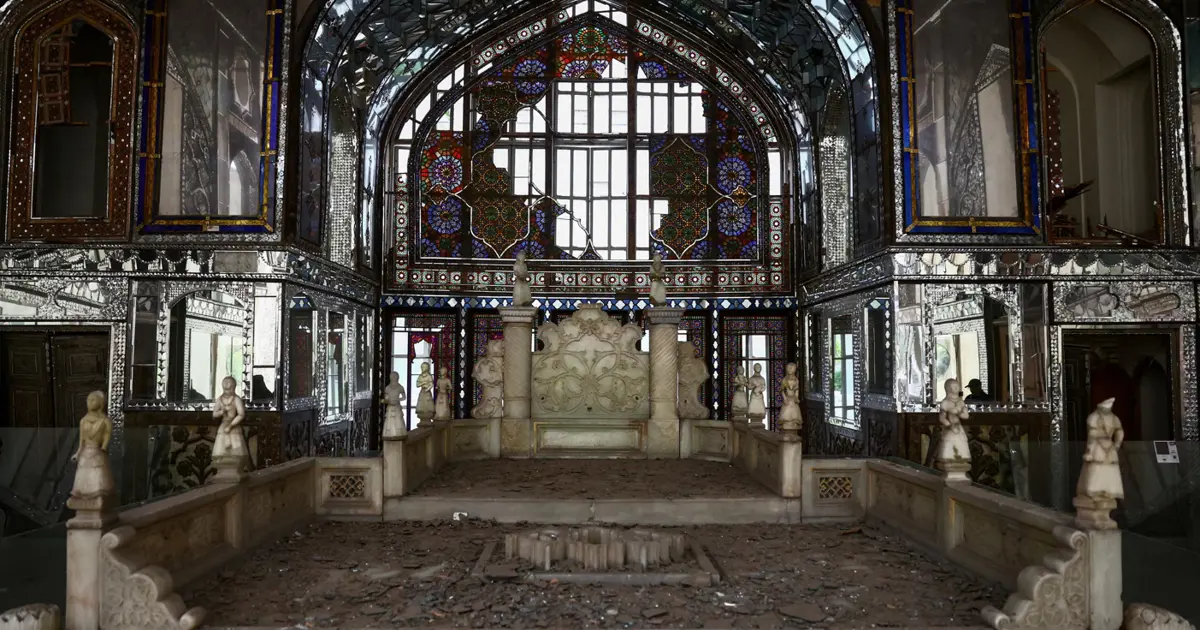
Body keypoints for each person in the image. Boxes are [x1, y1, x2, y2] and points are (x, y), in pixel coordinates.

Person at [70, 391, 114, 500]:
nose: (89, 402)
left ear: (100, 402)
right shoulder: (83, 421)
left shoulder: (105, 421)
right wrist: (77, 453)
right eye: (88, 400)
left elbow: (107, 435)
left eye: (92, 400)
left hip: (98, 452)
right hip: (85, 453)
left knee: (98, 475)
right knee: (83, 475)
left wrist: (104, 447)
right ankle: (82, 494)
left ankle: (98, 495)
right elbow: (81, 441)